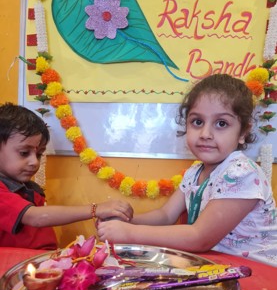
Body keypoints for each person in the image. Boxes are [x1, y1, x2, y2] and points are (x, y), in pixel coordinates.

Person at [97, 74, 277, 266]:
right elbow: (166, 215)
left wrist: (128, 233)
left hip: (257, 273)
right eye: (197, 122)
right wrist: (125, 223)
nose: (205, 134)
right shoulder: (194, 173)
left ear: (243, 133)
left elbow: (199, 237)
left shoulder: (242, 173)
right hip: (217, 265)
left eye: (221, 124)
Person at [0, 103, 133, 249]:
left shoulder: (28, 187)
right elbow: (36, 217)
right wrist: (96, 209)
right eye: (24, 153)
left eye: (39, 154)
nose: (34, 162)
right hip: (12, 266)